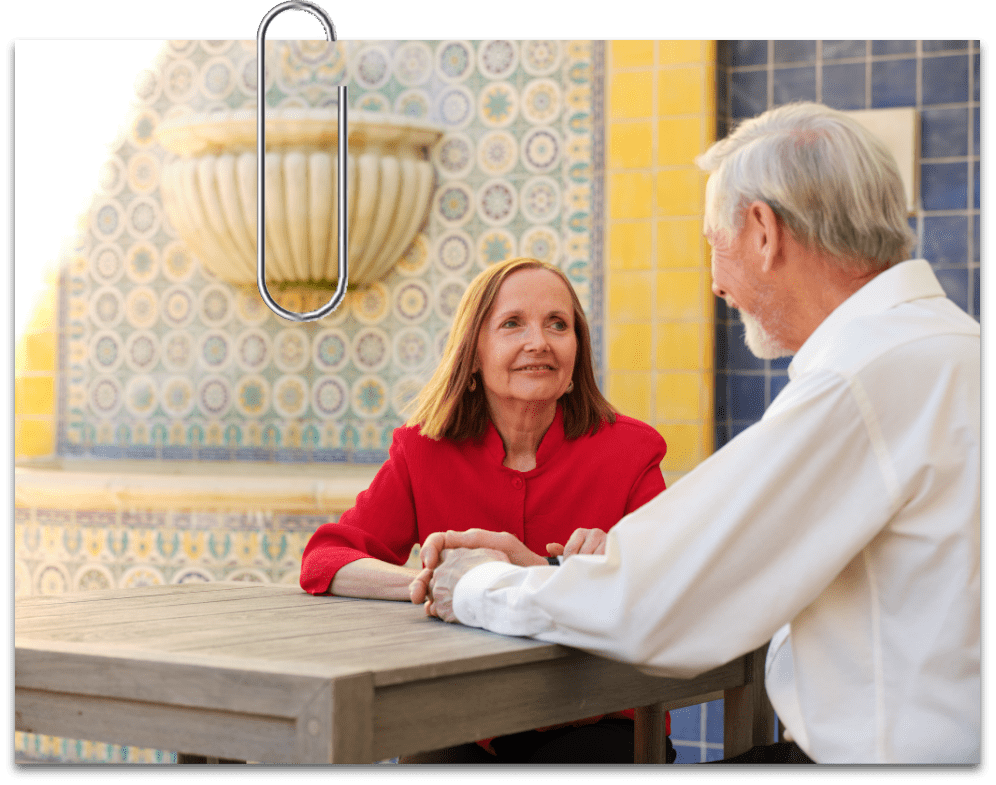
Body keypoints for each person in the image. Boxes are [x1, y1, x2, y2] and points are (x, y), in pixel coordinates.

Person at [413, 103, 981, 765]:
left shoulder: (863, 379)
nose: (714, 282)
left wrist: (476, 583)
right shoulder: (953, 348)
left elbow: (659, 602)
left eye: (715, 241)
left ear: (763, 232)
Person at [300, 256, 675, 763]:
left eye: (557, 325)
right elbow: (326, 559)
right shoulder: (422, 450)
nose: (538, 342)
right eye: (512, 324)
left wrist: (614, 561)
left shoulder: (632, 451)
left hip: (598, 717)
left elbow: (671, 581)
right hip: (462, 720)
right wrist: (432, 583)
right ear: (473, 352)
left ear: (576, 353)